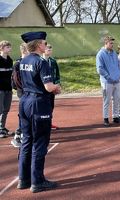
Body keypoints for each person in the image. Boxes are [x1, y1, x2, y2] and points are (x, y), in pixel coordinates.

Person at [17, 31, 61, 193]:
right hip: (38, 103)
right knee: (40, 142)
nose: (45, 45)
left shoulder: (23, 61)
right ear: (37, 45)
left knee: (26, 140)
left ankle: (24, 179)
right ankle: (37, 181)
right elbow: (49, 87)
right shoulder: (41, 62)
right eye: (43, 42)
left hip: (24, 102)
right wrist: (57, 88)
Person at [96, 36, 120, 126]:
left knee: (116, 99)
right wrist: (108, 77)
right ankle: (106, 118)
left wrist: (119, 74)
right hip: (107, 82)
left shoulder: (114, 53)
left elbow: (118, 65)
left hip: (117, 81)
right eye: (111, 43)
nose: (112, 45)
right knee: (106, 100)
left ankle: (115, 117)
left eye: (112, 43)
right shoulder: (100, 54)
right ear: (106, 43)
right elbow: (99, 69)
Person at [10, 43, 29, 147]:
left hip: (31, 92)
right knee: (24, 114)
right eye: (29, 50)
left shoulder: (31, 62)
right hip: (23, 92)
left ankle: (25, 133)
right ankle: (18, 135)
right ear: (24, 51)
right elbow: (16, 81)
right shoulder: (18, 64)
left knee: (29, 114)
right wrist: (26, 88)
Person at [43, 44, 61, 130]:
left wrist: (57, 85)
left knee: (51, 106)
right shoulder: (40, 61)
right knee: (43, 106)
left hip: (52, 87)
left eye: (51, 49)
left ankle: (49, 123)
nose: (50, 51)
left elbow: (57, 75)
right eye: (48, 49)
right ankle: (43, 124)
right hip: (42, 89)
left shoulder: (53, 61)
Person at [0, 40, 13, 138]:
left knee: (6, 109)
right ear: (2, 48)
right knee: (0, 109)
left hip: (8, 88)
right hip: (0, 89)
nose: (10, 49)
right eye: (8, 47)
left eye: (10, 47)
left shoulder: (10, 60)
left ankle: (2, 127)